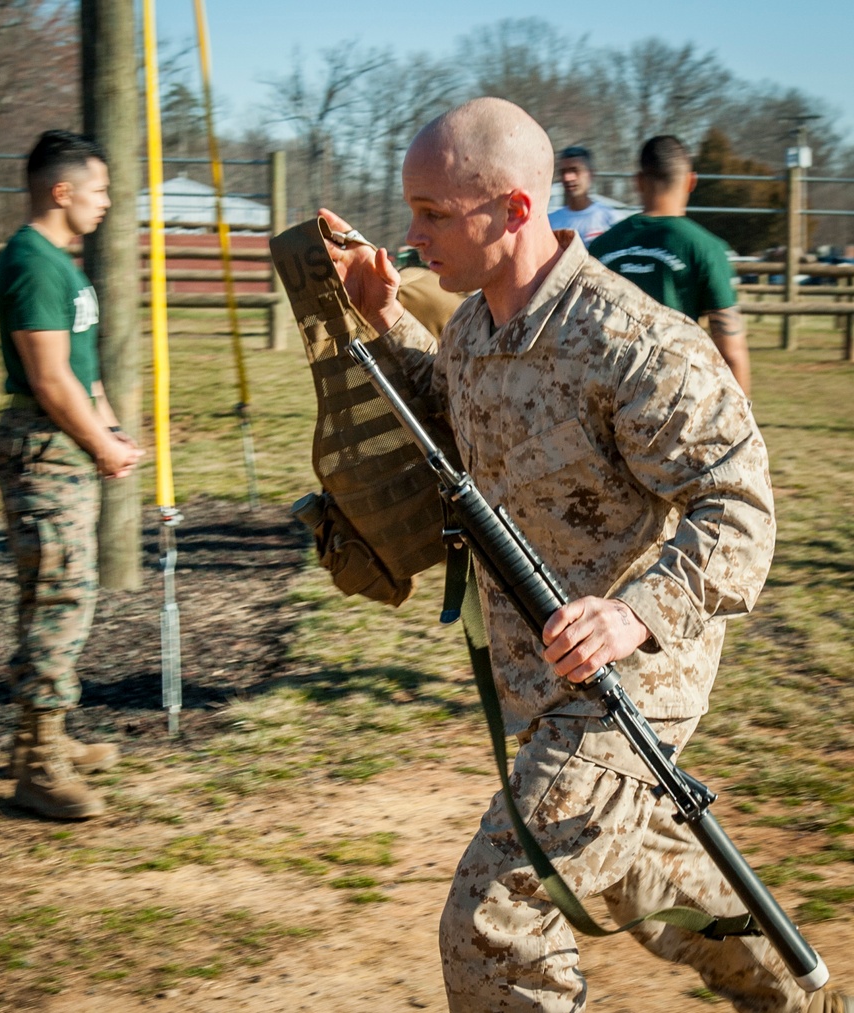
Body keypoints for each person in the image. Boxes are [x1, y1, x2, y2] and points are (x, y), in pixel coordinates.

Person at [319, 98, 848, 1012]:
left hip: (630, 688)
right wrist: (378, 318)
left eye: (435, 213)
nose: (411, 237)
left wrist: (632, 611)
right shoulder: (475, 327)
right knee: (635, 877)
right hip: (548, 681)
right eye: (412, 211)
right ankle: (800, 1000)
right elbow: (448, 414)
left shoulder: (633, 342)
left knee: (495, 918)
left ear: (517, 210)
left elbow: (740, 509)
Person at [0, 130, 142, 820]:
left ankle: (43, 738)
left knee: (57, 594)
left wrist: (107, 428)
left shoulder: (60, 263)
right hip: (43, 447)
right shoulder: (32, 262)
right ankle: (38, 764)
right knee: (59, 598)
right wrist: (99, 444)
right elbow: (50, 378)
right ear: (62, 191)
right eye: (99, 188)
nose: (107, 201)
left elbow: (83, 368)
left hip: (67, 445)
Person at [589, 135, 751, 394]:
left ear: (639, 182)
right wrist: (743, 423)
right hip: (673, 398)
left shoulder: (600, 247)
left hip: (604, 395)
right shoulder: (706, 248)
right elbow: (732, 351)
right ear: (691, 181)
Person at [547, 144, 625, 243]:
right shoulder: (551, 223)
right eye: (563, 172)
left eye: (575, 170)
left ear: (591, 174)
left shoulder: (611, 219)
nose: (568, 178)